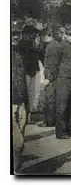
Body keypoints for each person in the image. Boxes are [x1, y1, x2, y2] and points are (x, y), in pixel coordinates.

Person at [53, 24, 71, 139]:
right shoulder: (60, 47)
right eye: (69, 35)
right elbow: (54, 64)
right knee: (62, 106)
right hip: (64, 79)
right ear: (65, 35)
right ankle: (61, 132)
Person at [12, 20, 29, 172]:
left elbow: (22, 81)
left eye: (17, 34)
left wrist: (26, 105)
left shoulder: (18, 55)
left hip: (21, 102)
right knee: (18, 142)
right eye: (12, 33)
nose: (15, 37)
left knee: (18, 144)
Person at [40, 26, 63, 127]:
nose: (41, 38)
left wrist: (49, 78)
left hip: (53, 77)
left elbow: (53, 64)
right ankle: (51, 120)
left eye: (42, 36)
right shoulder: (55, 45)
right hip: (56, 77)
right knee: (52, 99)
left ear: (47, 35)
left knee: (50, 100)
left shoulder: (52, 47)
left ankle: (49, 122)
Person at [18, 24, 41, 122]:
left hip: (33, 71)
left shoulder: (30, 43)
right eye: (33, 34)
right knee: (29, 94)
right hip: (27, 72)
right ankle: (28, 115)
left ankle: (29, 114)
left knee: (32, 94)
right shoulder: (23, 44)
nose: (34, 36)